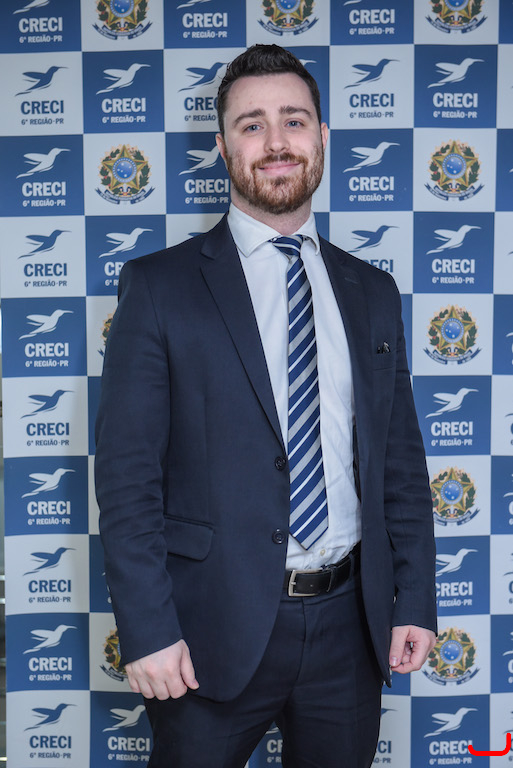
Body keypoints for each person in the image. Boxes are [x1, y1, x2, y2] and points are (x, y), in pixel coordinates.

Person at [95, 44, 437, 768]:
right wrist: (148, 630)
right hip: (205, 630)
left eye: (294, 120)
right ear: (223, 149)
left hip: (351, 628)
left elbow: (400, 461)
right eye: (252, 125)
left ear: (322, 137)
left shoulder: (372, 292)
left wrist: (413, 600)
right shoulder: (158, 287)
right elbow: (127, 480)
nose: (276, 141)